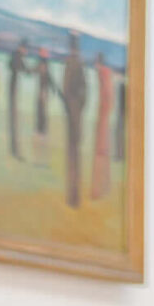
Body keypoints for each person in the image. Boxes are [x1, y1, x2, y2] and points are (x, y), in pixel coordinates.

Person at [61, 30, 88, 210]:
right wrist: (76, 107)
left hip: (74, 115)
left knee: (73, 156)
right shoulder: (75, 63)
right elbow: (82, 91)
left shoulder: (73, 63)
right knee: (73, 155)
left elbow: (78, 91)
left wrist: (73, 108)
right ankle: (73, 197)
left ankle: (74, 198)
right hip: (74, 114)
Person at [91, 51, 116, 200]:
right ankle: (103, 187)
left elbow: (108, 97)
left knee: (101, 153)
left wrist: (103, 112)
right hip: (104, 117)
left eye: (96, 64)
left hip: (103, 118)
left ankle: (99, 190)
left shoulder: (104, 74)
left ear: (98, 63)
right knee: (103, 153)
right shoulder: (105, 74)